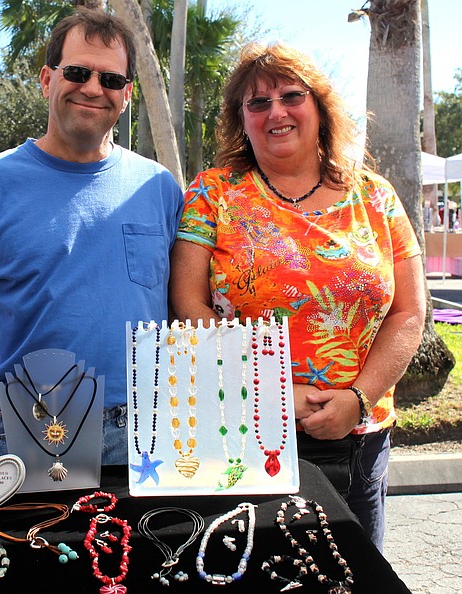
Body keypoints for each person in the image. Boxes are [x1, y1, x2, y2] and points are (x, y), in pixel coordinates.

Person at [170, 42, 425, 551]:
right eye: (257, 103)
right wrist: (268, 393)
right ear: (240, 119)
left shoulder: (375, 196)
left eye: (291, 95)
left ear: (321, 107)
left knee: (352, 577)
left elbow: (410, 312)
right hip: (242, 432)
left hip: (356, 441)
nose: (276, 112)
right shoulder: (212, 193)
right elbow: (187, 305)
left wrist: (359, 399)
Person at [0, 7, 182, 466]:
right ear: (46, 79)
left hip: (142, 435)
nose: (94, 88)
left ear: (128, 94)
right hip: (18, 431)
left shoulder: (160, 189)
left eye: (111, 80)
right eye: (77, 72)